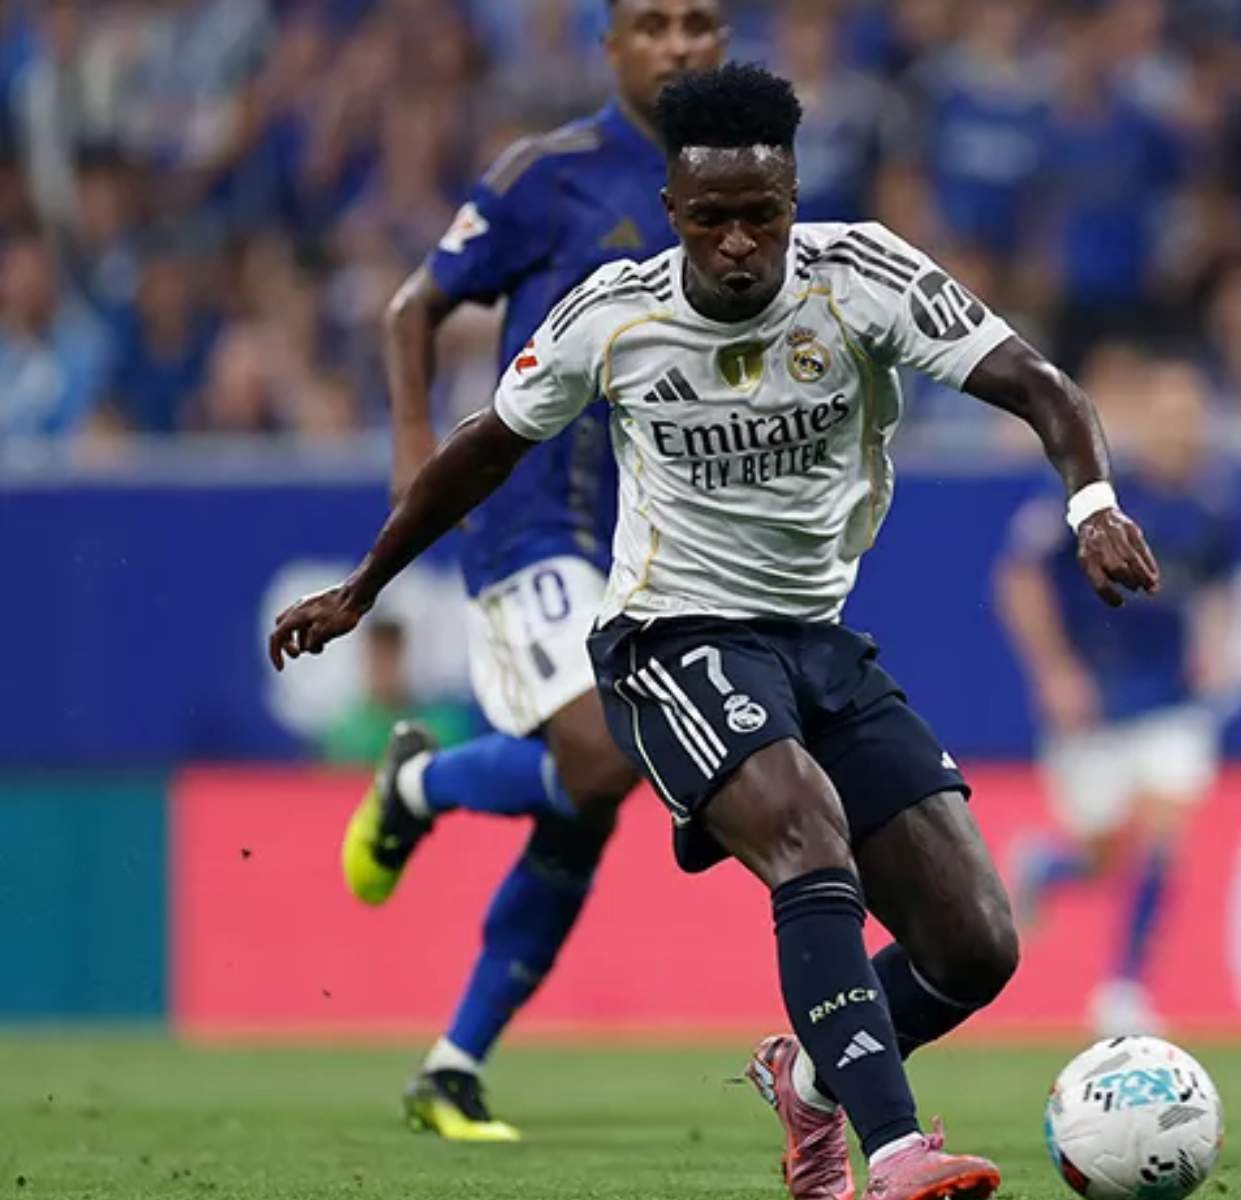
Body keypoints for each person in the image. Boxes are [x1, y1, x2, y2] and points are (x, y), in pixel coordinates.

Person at [270, 64, 1159, 1200]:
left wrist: (1092, 508)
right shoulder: (613, 314)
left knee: (975, 945)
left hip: (816, 641)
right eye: (711, 219)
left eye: (762, 216)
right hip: (668, 639)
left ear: (793, 201)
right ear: (672, 212)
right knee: (806, 833)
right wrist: (362, 586)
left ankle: (808, 1080)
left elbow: (1042, 386)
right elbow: (486, 446)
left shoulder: (863, 276)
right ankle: (893, 1154)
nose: (739, 244)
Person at [343, 0, 728, 1142]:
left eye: (698, 22)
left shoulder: (743, 181)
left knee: (583, 808)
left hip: (656, 540)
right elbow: (414, 308)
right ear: (610, 47)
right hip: (533, 515)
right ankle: (416, 786)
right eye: (652, 24)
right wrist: (417, 456)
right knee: (602, 758)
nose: (677, 44)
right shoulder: (547, 175)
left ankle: (452, 1066)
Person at [998, 357, 1236, 1037]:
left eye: (1190, 417)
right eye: (1167, 416)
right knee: (1105, 855)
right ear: (1143, 421)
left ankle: (1125, 989)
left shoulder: (1215, 504)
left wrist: (1216, 643)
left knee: (1164, 831)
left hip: (1170, 697)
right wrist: (1055, 671)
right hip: (1097, 697)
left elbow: (1218, 584)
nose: (1179, 431)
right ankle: (1047, 867)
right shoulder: (1094, 492)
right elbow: (1020, 577)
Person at [318, 618, 476, 767]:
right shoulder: (345, 732)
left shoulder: (443, 726)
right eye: (378, 657)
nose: (384, 668)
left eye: (391, 656)